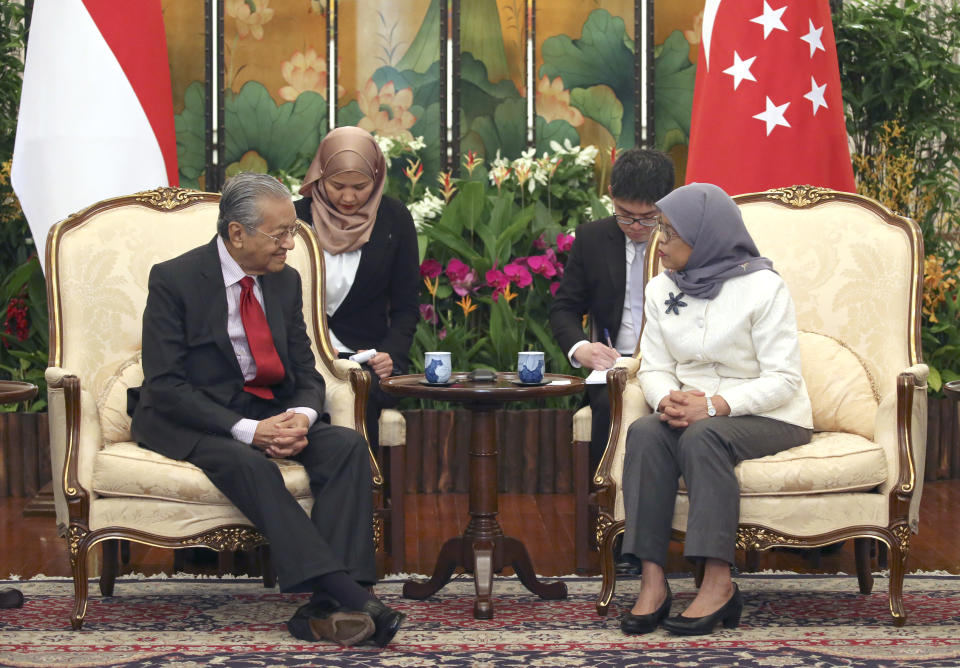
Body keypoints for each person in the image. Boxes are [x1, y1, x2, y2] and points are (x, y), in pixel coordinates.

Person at [128, 173, 404, 648]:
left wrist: (301, 414)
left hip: (269, 408)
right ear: (237, 233)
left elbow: (304, 369)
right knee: (250, 464)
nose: (290, 245)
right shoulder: (174, 280)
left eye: (292, 232)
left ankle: (323, 608)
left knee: (345, 445)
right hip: (194, 417)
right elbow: (166, 386)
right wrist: (248, 430)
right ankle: (352, 594)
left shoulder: (284, 282)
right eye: (280, 235)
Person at [619, 183, 813, 636]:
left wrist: (715, 405)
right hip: (692, 411)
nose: (658, 243)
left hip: (770, 416)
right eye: (658, 231)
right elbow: (655, 366)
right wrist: (667, 397)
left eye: (668, 232)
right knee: (647, 431)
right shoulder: (660, 288)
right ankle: (652, 581)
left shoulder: (764, 287)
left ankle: (718, 583)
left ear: (704, 235)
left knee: (704, 435)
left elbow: (784, 380)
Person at [549, 148, 675, 471]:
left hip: (676, 364)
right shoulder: (591, 239)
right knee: (610, 406)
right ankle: (606, 505)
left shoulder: (686, 241)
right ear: (610, 195)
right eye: (624, 214)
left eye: (648, 217)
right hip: (615, 367)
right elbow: (564, 308)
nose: (635, 226)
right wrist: (582, 349)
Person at [295, 126, 419, 451]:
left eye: (360, 187)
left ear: (376, 179)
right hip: (299, 355)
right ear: (320, 176)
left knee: (361, 390)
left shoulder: (394, 219)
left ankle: (364, 494)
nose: (348, 198)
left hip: (366, 360)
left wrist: (390, 356)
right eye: (337, 186)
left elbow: (406, 306)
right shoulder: (295, 219)